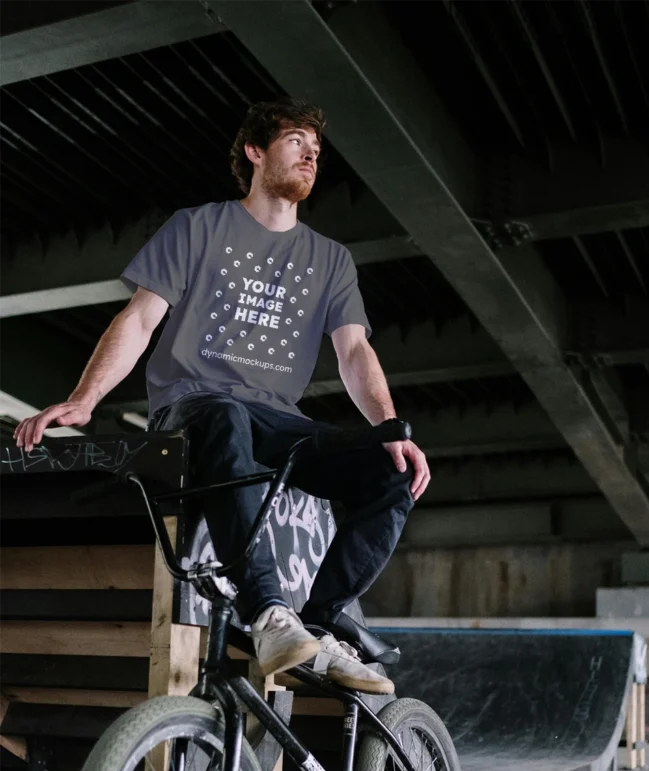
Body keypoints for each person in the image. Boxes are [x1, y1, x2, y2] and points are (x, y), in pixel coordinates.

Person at [14, 98, 430, 693]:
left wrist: (389, 428)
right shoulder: (198, 227)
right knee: (226, 413)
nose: (311, 153)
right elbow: (139, 319)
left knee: (389, 473)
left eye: (317, 148)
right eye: (295, 140)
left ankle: (318, 625)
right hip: (196, 408)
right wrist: (86, 397)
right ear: (255, 152)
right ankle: (270, 613)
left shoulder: (331, 260)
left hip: (278, 418)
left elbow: (354, 352)